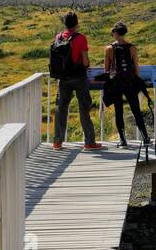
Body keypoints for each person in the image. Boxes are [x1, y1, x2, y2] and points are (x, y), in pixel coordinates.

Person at [52, 11, 102, 151]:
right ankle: (89, 142)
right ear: (77, 23)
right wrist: (85, 65)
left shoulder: (59, 37)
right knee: (84, 108)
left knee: (61, 108)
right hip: (79, 77)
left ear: (65, 23)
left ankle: (57, 142)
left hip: (63, 78)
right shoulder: (81, 38)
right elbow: (85, 61)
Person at [103, 22, 149, 148]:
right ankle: (145, 137)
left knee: (119, 110)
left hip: (116, 83)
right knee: (136, 110)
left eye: (113, 32)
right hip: (129, 82)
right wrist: (136, 82)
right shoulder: (132, 48)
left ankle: (123, 140)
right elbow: (137, 69)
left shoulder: (109, 49)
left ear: (116, 33)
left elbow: (106, 69)